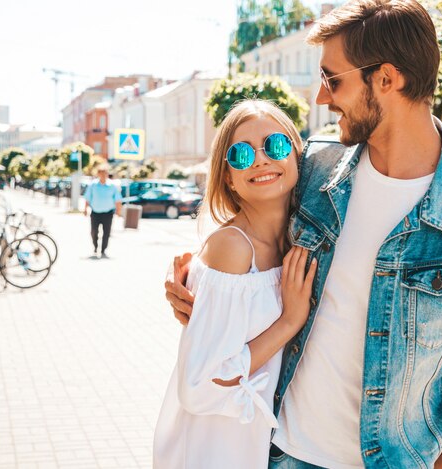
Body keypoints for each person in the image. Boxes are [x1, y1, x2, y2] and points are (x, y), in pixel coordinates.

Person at [165, 1, 442, 467]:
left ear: (386, 78)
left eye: (332, 79)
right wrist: (204, 288)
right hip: (279, 449)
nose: (321, 99)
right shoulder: (313, 167)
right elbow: (250, 235)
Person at [153, 100, 317, 468]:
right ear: (227, 176)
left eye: (275, 145)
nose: (260, 160)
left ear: (296, 154)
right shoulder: (233, 247)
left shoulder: (296, 241)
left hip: (260, 446)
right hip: (213, 450)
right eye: (241, 154)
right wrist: (289, 322)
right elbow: (199, 386)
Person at [83, 164, 122, 258]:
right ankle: (96, 247)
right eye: (102, 173)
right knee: (94, 231)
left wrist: (118, 211)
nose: (104, 175)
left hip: (108, 213)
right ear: (98, 174)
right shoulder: (93, 185)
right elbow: (88, 198)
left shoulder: (112, 186)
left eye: (105, 173)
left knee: (107, 232)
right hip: (95, 212)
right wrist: (85, 209)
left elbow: (117, 199)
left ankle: (103, 249)